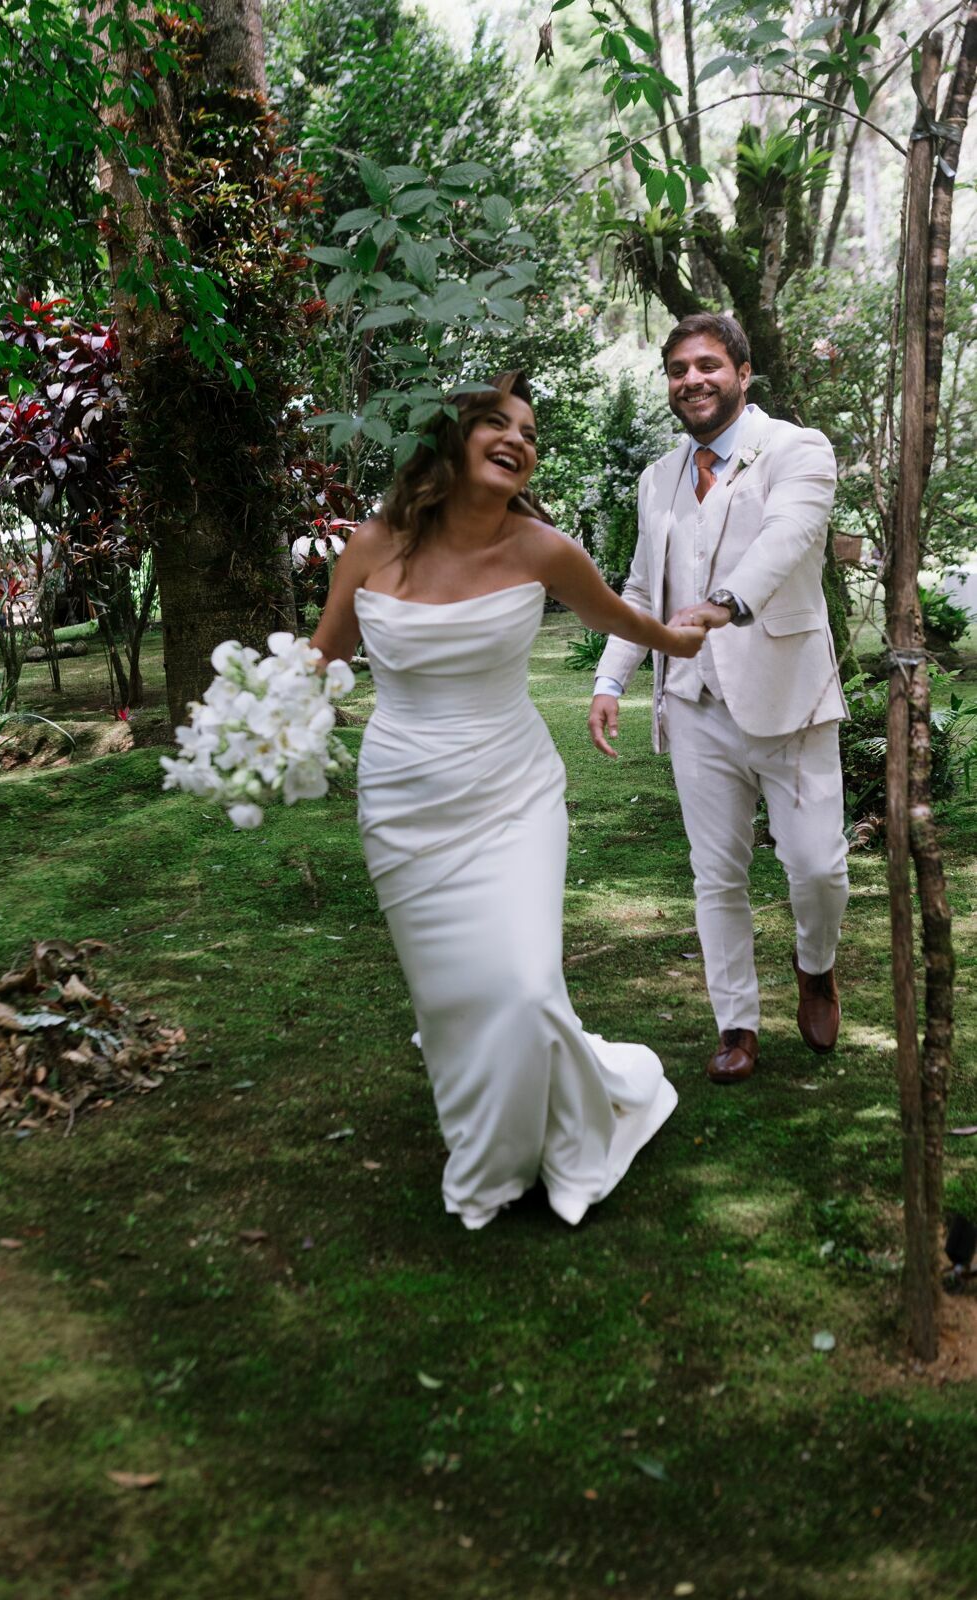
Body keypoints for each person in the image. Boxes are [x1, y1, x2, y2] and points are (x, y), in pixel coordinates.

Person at [311, 371, 706, 1230]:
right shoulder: (373, 545)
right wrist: (254, 722)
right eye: (497, 422)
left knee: (525, 986)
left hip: (512, 790)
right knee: (452, 996)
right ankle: (489, 1159)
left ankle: (578, 1129)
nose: (518, 440)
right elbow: (325, 657)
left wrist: (679, 640)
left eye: (528, 432)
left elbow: (619, 618)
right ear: (448, 438)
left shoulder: (542, 549)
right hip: (403, 799)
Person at [588, 313, 849, 1086]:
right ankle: (736, 1023)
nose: (691, 380)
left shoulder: (797, 449)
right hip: (693, 702)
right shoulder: (656, 477)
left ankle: (815, 966)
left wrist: (723, 603)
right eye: (677, 369)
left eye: (706, 365)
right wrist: (610, 679)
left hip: (789, 698)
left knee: (816, 869)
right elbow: (643, 588)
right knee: (715, 874)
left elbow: (786, 540)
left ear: (741, 371)